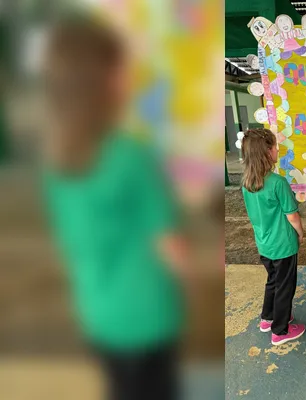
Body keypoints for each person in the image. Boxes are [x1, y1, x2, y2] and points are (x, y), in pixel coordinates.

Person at [42, 16, 185, 400]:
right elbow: (171, 250)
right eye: (122, 66)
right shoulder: (128, 155)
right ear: (102, 79)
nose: (130, 75)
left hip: (97, 312)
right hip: (145, 315)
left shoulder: (57, 158)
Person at [240, 128, 306, 346]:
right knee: (285, 287)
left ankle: (267, 318)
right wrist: (300, 233)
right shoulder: (277, 182)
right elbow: (293, 216)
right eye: (275, 146)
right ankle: (280, 330)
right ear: (268, 152)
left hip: (264, 244)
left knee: (273, 281)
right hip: (283, 245)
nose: (278, 149)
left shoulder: (246, 182)